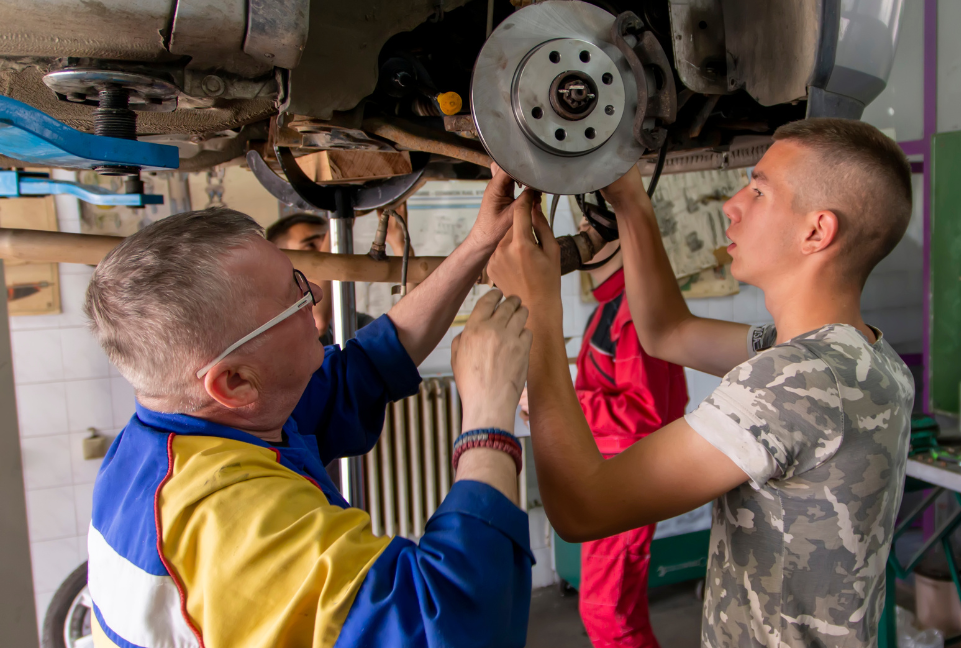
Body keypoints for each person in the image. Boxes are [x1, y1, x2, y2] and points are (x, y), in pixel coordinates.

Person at [489, 118, 916, 648]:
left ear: (816, 232)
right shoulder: (857, 355)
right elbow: (669, 332)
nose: (731, 205)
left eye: (758, 190)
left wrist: (537, 308)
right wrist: (630, 202)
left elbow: (581, 509)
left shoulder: (797, 381)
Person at [84, 165, 537, 648]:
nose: (316, 293)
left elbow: (363, 369)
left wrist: (477, 245)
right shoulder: (229, 524)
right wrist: (488, 411)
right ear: (233, 381)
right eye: (293, 298)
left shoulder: (187, 431)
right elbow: (453, 625)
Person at [570, 219, 688, 648]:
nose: (583, 231)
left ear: (626, 237)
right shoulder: (611, 305)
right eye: (581, 222)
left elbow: (646, 415)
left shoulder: (632, 311)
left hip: (627, 480)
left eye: (596, 224)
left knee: (608, 613)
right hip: (608, 478)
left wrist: (566, 406)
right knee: (614, 610)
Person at [266, 212, 374, 345]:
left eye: (326, 243)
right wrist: (342, 216)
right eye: (311, 245)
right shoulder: (271, 325)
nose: (326, 253)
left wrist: (399, 243)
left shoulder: (356, 322)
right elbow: (318, 321)